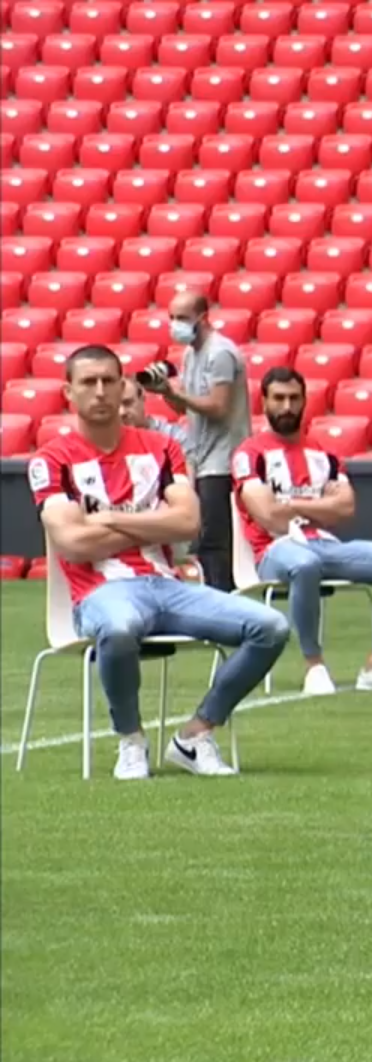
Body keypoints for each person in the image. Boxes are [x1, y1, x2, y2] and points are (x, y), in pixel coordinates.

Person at [27, 345, 289, 780]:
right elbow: (72, 543)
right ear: (68, 392)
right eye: (88, 382)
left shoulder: (162, 448)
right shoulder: (52, 460)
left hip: (168, 586)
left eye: (109, 381)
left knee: (271, 627)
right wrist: (153, 523)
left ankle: (195, 736)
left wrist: (107, 518)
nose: (100, 391)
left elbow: (188, 523)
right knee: (119, 628)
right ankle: (131, 740)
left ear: (123, 386)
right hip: (100, 592)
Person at [232, 367, 372, 695]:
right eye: (279, 399)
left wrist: (291, 504)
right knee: (305, 564)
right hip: (275, 550)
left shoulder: (323, 454)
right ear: (264, 402)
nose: (287, 406)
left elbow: (346, 508)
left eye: (294, 398)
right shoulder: (249, 454)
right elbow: (270, 517)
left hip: (325, 545)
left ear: (304, 401)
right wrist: (319, 505)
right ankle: (313, 666)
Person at [150, 289, 250, 592]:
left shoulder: (220, 353)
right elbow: (184, 408)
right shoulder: (190, 354)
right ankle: (215, 595)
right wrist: (166, 392)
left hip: (223, 457)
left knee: (215, 539)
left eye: (182, 318)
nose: (175, 324)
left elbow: (218, 407)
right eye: (172, 318)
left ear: (203, 318)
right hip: (201, 455)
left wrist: (177, 394)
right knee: (205, 538)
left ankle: (225, 597)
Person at [121, 380, 187, 444]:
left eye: (127, 403)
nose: (121, 412)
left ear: (142, 398)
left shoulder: (172, 435)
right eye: (116, 406)